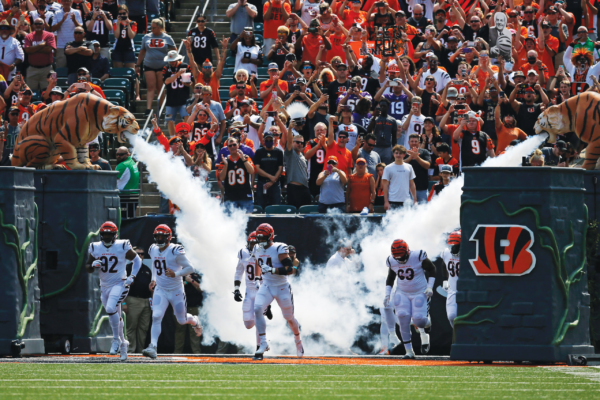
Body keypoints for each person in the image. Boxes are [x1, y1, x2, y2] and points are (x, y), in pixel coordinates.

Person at [142, 225, 203, 359]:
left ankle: (194, 321)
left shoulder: (175, 250)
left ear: (168, 237)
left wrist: (176, 273)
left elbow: (190, 268)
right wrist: (153, 279)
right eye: (157, 236)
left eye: (161, 236)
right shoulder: (153, 248)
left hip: (176, 290)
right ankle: (153, 347)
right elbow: (154, 263)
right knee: (156, 316)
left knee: (181, 320)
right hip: (161, 289)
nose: (159, 239)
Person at [86, 221, 142, 361]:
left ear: (115, 235)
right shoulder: (95, 247)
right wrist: (92, 265)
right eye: (104, 234)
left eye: (109, 235)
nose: (106, 237)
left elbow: (138, 260)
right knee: (115, 313)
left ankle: (115, 339)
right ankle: (124, 345)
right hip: (104, 286)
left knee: (111, 308)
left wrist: (132, 276)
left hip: (120, 283)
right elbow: (87, 266)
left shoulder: (122, 246)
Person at [252, 223, 303, 360]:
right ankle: (263, 343)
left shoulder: (279, 248)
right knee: (257, 308)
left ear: (270, 237)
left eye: (263, 238)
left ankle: (298, 340)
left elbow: (290, 269)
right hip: (267, 285)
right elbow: (258, 262)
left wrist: (273, 270)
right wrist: (257, 278)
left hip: (281, 287)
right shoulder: (256, 248)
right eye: (259, 238)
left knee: (289, 318)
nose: (260, 241)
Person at [385, 239, 436, 359]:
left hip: (419, 292)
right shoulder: (392, 260)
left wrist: (430, 287)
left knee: (419, 320)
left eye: (402, 256)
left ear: (407, 251)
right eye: (397, 257)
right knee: (402, 317)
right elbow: (391, 277)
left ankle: (427, 324)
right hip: (402, 292)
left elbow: (432, 269)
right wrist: (387, 294)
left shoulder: (417, 256)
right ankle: (409, 351)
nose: (400, 260)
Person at [233, 232, 273, 350]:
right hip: (249, 292)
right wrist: (236, 289)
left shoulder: (265, 253)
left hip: (262, 291)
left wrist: (269, 299)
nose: (254, 246)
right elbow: (238, 272)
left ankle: (260, 346)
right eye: (252, 243)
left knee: (258, 318)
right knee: (248, 324)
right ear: (248, 243)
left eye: (256, 243)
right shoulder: (243, 253)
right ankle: (262, 335)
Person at [136, 19, 176, 116]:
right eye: (151, 27)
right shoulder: (146, 37)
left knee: (160, 88)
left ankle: (161, 108)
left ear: (160, 28)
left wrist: (172, 61)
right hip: (149, 64)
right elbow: (142, 51)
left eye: (154, 27)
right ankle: (148, 109)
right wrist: (137, 64)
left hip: (162, 65)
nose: (152, 29)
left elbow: (174, 50)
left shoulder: (167, 37)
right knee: (150, 87)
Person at [123, 247, 152, 354]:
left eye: (142, 254)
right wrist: (124, 303)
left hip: (146, 301)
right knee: (131, 327)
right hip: (133, 300)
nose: (140, 256)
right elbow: (122, 286)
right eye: (138, 254)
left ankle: (140, 351)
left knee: (143, 328)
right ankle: (130, 351)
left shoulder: (147, 269)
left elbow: (151, 287)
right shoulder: (127, 268)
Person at [219, 138, 255, 213]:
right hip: (230, 197)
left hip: (245, 196)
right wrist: (226, 165)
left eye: (234, 145)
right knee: (229, 222)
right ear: (227, 148)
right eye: (230, 145)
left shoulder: (246, 157)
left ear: (238, 145)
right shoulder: (225, 160)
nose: (232, 147)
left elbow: (252, 171)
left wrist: (243, 159)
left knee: (247, 221)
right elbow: (221, 178)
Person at [162, 50, 192, 136]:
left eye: (173, 60)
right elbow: (166, 81)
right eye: (170, 61)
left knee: (187, 117)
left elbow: (190, 83)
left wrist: (186, 82)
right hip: (171, 99)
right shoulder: (166, 68)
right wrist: (177, 75)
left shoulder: (185, 66)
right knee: (170, 120)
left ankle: (184, 135)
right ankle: (172, 137)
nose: (172, 62)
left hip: (184, 98)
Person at [173, 272, 203, 354]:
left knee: (195, 331)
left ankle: (196, 353)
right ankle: (177, 353)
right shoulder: (178, 273)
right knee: (179, 331)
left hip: (194, 307)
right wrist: (186, 282)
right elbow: (174, 289)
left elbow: (201, 289)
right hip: (180, 307)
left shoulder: (198, 275)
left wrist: (192, 281)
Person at [24, 17, 56, 92]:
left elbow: (49, 49)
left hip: (47, 69)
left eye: (40, 24)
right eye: (36, 24)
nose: (38, 25)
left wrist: (33, 49)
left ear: (44, 25)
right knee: (30, 93)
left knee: (48, 92)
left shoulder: (49, 35)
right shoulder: (28, 36)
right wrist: (42, 45)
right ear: (33, 25)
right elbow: (27, 50)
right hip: (32, 69)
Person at [284, 123, 312, 209]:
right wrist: (289, 129)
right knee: (294, 214)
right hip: (294, 188)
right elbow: (288, 142)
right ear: (293, 143)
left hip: (304, 188)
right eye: (297, 142)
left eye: (301, 143)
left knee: (306, 213)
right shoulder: (290, 153)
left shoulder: (302, 156)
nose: (300, 144)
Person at [254, 131, 284, 209]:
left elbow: (280, 168)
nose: (268, 141)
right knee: (261, 206)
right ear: (263, 140)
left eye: (270, 139)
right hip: (262, 183)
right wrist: (271, 177)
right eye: (266, 140)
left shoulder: (279, 152)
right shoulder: (259, 152)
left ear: (274, 140)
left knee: (276, 207)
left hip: (275, 184)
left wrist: (272, 181)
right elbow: (257, 168)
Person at [50, 0, 83, 69]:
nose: (66, 2)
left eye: (68, 1)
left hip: (74, 45)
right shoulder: (57, 13)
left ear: (71, 2)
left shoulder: (77, 12)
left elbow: (80, 28)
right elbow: (53, 29)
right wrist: (62, 20)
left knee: (74, 69)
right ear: (61, 2)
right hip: (61, 46)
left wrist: (74, 20)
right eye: (64, 1)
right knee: (61, 69)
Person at [382, 145, 416, 210]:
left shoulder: (409, 167)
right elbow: (385, 186)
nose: (398, 155)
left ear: (404, 154)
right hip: (392, 200)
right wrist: (386, 201)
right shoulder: (388, 168)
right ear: (393, 154)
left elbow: (412, 184)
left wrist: (415, 199)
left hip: (406, 201)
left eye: (400, 153)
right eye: (396, 153)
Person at [368, 99, 399, 164]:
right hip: (376, 147)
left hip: (387, 148)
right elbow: (368, 130)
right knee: (375, 166)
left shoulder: (392, 120)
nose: (382, 107)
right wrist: (374, 117)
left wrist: (394, 150)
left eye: (384, 106)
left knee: (386, 166)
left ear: (388, 107)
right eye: (381, 106)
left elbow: (394, 137)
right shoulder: (375, 118)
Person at [440, 230, 460, 328]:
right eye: (451, 245)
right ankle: (457, 337)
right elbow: (444, 263)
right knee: (452, 316)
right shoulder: (446, 252)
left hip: (468, 290)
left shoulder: (469, 253)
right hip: (453, 289)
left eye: (455, 245)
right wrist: (445, 279)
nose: (453, 248)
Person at [405, 134, 431, 203]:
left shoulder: (424, 152)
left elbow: (427, 165)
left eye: (416, 141)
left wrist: (416, 157)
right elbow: (399, 164)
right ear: (408, 142)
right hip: (407, 189)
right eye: (412, 141)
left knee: (422, 212)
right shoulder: (404, 153)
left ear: (419, 143)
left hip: (422, 188)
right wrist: (410, 157)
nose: (414, 143)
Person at [111, 5, 137, 69]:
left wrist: (128, 24)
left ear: (127, 13)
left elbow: (131, 36)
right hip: (118, 49)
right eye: (120, 14)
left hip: (129, 49)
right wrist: (118, 24)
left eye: (124, 13)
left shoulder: (133, 23)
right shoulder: (115, 23)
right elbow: (116, 36)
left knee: (130, 71)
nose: (122, 15)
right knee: (118, 72)